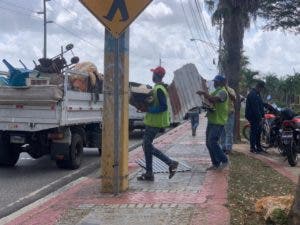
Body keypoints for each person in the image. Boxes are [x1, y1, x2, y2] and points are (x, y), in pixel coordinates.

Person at [137, 66, 179, 181]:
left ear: (156, 75)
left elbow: (163, 107)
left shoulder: (159, 89)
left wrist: (148, 109)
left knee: (147, 145)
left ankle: (170, 163)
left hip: (155, 122)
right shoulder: (157, 88)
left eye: (153, 74)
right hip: (152, 121)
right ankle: (149, 173)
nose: (152, 75)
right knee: (146, 146)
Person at [197, 75, 229, 170]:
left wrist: (204, 93)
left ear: (222, 83)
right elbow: (211, 102)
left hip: (218, 121)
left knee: (212, 141)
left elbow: (213, 99)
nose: (215, 83)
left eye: (217, 82)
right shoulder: (216, 91)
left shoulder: (223, 92)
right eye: (215, 81)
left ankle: (224, 160)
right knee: (208, 143)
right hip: (212, 120)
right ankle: (215, 163)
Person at [245, 80, 265, 153]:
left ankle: (259, 147)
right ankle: (252, 148)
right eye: (262, 88)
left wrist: (263, 115)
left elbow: (260, 105)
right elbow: (255, 108)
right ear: (259, 87)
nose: (262, 90)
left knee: (258, 132)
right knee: (254, 132)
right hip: (253, 117)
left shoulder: (257, 94)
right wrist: (260, 118)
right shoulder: (253, 94)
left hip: (256, 116)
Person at [220, 83, 236, 154]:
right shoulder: (219, 90)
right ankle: (223, 147)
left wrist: (227, 90)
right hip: (221, 114)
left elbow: (234, 98)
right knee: (222, 132)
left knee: (228, 131)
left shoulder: (230, 90)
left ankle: (228, 148)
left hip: (229, 113)